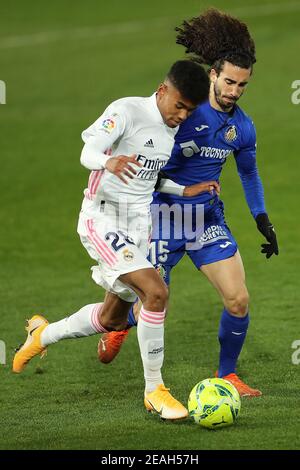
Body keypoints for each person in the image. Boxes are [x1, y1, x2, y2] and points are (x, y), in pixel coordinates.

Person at [13, 60, 221, 420]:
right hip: (102, 217)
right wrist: (106, 163)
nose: (182, 115)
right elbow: (88, 151)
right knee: (156, 293)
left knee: (111, 319)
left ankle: (42, 335)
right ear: (162, 90)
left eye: (190, 109)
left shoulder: (170, 131)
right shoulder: (126, 111)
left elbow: (149, 178)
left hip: (139, 227)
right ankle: (154, 390)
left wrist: (185, 189)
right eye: (179, 105)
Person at [98, 9, 279, 397]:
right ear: (212, 75)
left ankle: (227, 375)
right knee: (152, 298)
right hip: (161, 217)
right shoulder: (180, 116)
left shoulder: (242, 127)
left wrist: (262, 218)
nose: (234, 91)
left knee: (239, 299)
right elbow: (145, 160)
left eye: (242, 85)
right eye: (228, 81)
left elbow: (249, 174)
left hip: (205, 219)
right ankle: (117, 325)